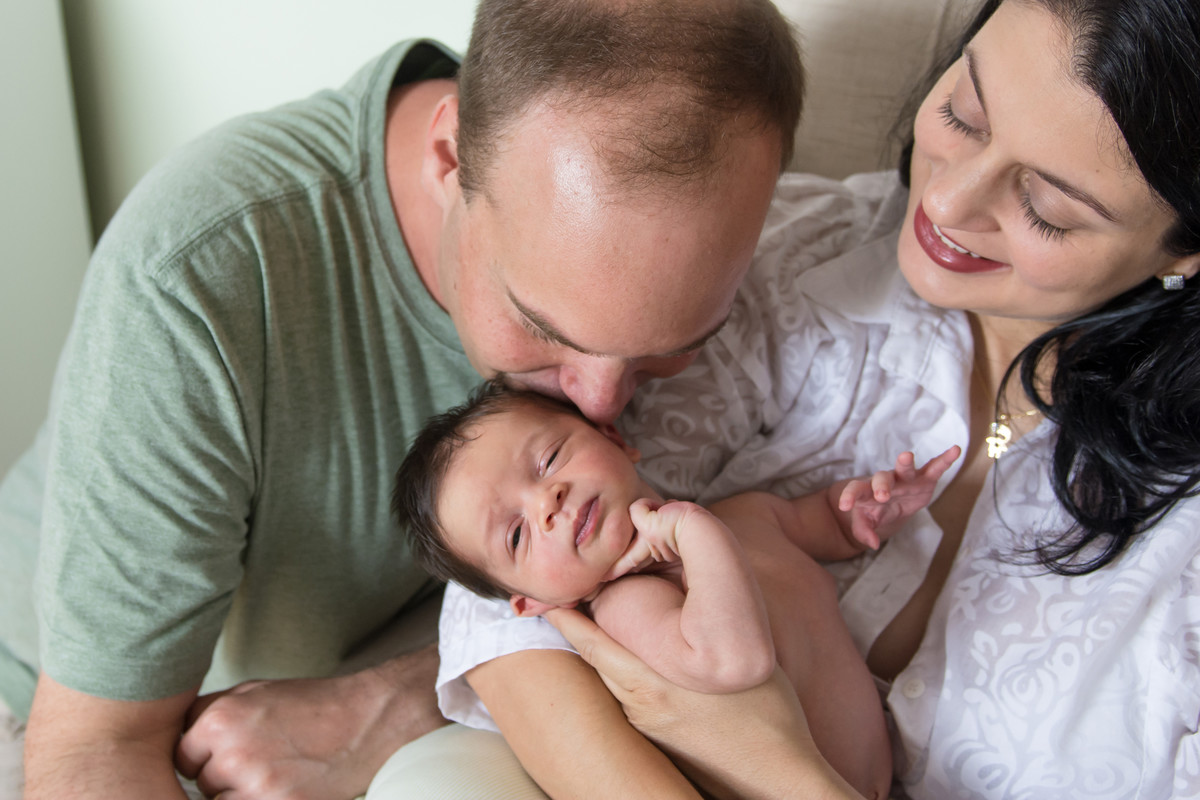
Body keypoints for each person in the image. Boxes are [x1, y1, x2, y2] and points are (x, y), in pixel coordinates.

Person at [0, 0, 804, 798]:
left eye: (668, 347)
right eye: (541, 325)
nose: (601, 404)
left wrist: (398, 696)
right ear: (450, 157)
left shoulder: (689, 242)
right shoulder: (198, 276)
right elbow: (93, 751)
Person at [436, 0, 1200, 798]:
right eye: (964, 114)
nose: (946, 203)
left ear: (1184, 247)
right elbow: (505, 588)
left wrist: (769, 759)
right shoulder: (775, 263)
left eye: (1047, 207)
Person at [393, 380, 961, 798]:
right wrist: (693, 530)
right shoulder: (631, 607)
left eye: (549, 459)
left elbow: (821, 527)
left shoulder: (744, 516)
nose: (548, 502)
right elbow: (734, 661)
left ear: (614, 438)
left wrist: (862, 513)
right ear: (534, 603)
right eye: (516, 535)